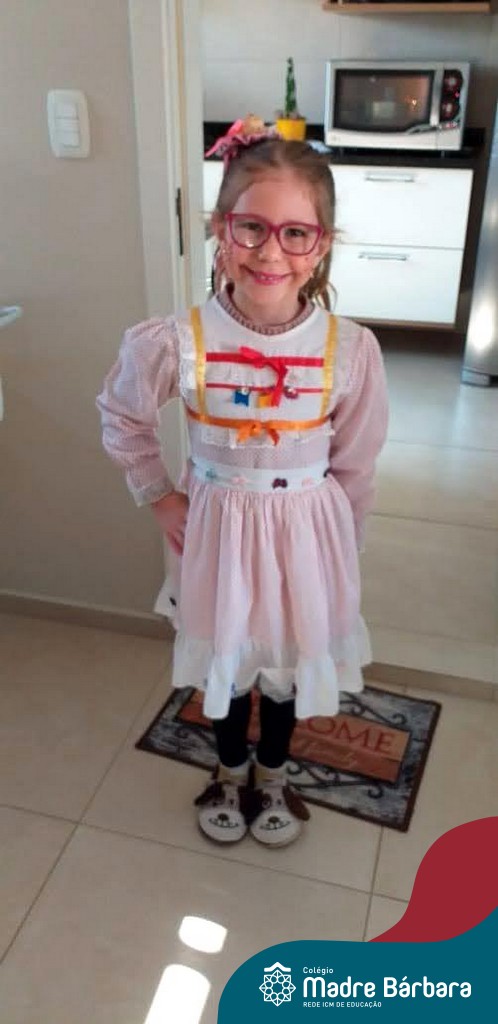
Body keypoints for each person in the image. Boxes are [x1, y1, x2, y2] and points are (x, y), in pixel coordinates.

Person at [97, 116, 389, 849]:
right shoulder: (176, 339)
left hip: (306, 534)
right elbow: (123, 414)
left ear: (322, 244)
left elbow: (356, 462)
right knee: (227, 660)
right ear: (219, 229)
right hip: (218, 531)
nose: (271, 251)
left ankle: (275, 775)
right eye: (251, 227)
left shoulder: (350, 350)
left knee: (285, 660)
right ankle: (228, 771)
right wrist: (159, 495)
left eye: (297, 233)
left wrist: (344, 548)